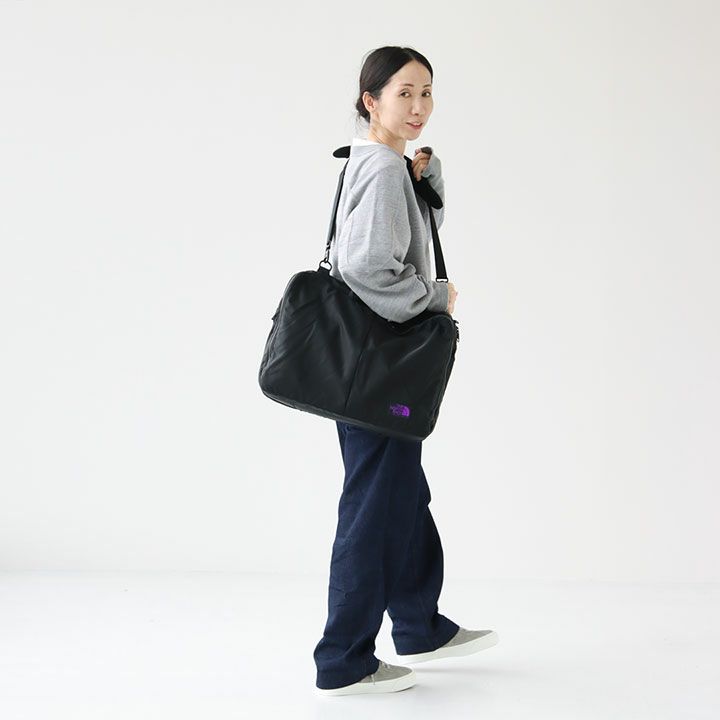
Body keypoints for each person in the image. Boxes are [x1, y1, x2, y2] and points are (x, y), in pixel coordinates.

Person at [313, 46, 499, 697]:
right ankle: (344, 660)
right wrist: (434, 298)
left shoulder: (377, 163)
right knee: (375, 505)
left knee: (402, 493)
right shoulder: (382, 169)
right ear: (371, 100)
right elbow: (368, 266)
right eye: (404, 93)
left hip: (368, 369)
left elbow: (400, 240)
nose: (418, 106)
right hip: (381, 371)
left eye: (426, 93)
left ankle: (419, 625)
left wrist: (424, 179)